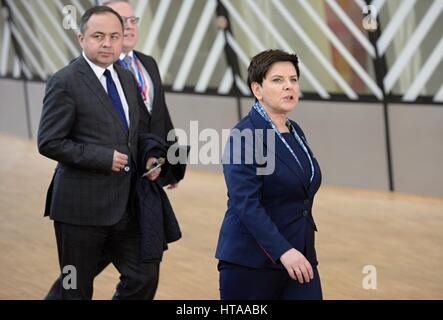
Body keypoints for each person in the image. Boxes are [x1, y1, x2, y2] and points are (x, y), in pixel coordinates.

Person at [45, 1, 187, 300]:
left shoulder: (125, 77)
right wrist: (102, 157)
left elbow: (141, 131)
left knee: (143, 275)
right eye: (98, 36)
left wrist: (154, 157)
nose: (107, 43)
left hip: (128, 204)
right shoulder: (65, 82)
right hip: (80, 209)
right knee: (74, 288)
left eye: (114, 36)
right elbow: (50, 141)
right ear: (81, 39)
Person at [215, 49, 323, 300]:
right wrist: (284, 251)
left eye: (293, 80)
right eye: (278, 80)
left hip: (300, 257)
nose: (289, 87)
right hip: (251, 263)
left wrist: (296, 251)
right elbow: (246, 203)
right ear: (257, 89)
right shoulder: (245, 135)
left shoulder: (294, 130)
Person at [104, 0, 182, 189]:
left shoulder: (148, 63)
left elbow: (161, 114)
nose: (130, 26)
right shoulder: (103, 71)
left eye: (133, 20)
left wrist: (175, 165)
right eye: (122, 21)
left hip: (153, 170)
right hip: (121, 173)